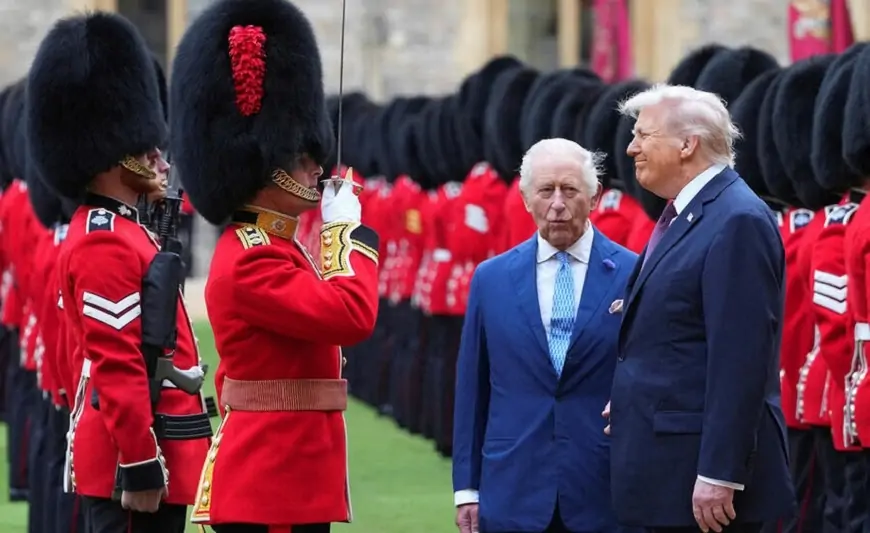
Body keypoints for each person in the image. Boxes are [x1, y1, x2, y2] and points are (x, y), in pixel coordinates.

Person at [168, 0, 380, 531]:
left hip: (291, 476)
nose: (314, 168)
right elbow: (351, 315)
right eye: (299, 158)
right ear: (265, 168)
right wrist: (345, 232)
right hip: (269, 482)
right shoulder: (252, 258)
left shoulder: (276, 245)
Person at [26, 11, 212, 532]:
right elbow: (117, 362)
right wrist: (140, 462)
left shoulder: (128, 231)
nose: (160, 159)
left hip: (152, 446)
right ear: (112, 154)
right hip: (128, 464)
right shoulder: (104, 241)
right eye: (146, 150)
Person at [607, 84, 795, 533]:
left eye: (643, 135)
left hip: (700, 476)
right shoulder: (689, 214)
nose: (631, 148)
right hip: (668, 462)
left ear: (687, 144)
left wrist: (720, 472)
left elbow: (740, 359)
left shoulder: (736, 219)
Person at [453, 138, 638, 533]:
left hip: (604, 488)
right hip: (514, 486)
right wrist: (467, 488)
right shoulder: (491, 279)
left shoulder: (633, 274)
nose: (557, 204)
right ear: (525, 198)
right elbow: (473, 389)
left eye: (569, 190)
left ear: (594, 197)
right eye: (545, 190)